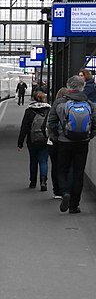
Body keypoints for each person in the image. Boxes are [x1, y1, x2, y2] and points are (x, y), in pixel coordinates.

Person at [47, 75, 96, 213]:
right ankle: (74, 206)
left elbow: (51, 122)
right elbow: (94, 122)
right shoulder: (89, 103)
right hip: (82, 143)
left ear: (68, 86)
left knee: (62, 169)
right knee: (78, 173)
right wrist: (89, 135)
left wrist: (55, 137)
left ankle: (65, 192)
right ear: (82, 87)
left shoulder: (59, 103)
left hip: (64, 142)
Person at [17, 91, 51, 190]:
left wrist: (20, 143)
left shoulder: (29, 111)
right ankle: (43, 182)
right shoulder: (49, 109)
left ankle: (33, 182)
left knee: (33, 160)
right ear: (44, 98)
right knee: (43, 161)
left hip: (32, 140)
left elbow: (24, 128)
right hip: (45, 139)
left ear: (33, 98)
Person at [47, 87, 69, 199]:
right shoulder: (72, 106)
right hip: (70, 141)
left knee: (56, 166)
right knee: (68, 166)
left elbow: (50, 124)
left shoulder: (55, 105)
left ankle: (58, 191)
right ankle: (67, 190)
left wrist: (54, 136)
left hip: (54, 142)